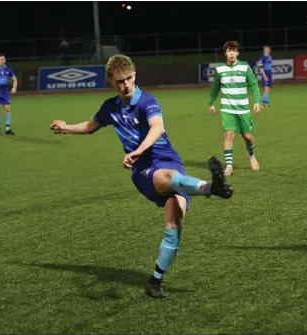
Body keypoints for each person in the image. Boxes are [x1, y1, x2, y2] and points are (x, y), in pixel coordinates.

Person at [50, 54, 234, 298]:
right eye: (120, 81)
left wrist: (137, 150)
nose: (126, 85)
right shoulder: (110, 108)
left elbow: (158, 127)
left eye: (129, 78)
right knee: (164, 177)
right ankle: (214, 189)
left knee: (174, 224)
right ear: (111, 83)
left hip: (168, 159)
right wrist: (66, 127)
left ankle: (155, 282)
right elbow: (89, 126)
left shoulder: (147, 101)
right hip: (143, 170)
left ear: (135, 75)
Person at [209, 40, 261, 176]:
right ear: (225, 53)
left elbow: (254, 84)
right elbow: (215, 87)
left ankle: (251, 155)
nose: (231, 53)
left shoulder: (244, 67)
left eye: (234, 51)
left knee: (247, 137)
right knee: (228, 134)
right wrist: (211, 103)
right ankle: (229, 166)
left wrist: (257, 101)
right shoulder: (220, 69)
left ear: (237, 53)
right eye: (229, 51)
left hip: (243, 109)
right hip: (227, 109)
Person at [258, 45, 273, 109]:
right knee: (266, 90)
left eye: (268, 49)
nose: (266, 50)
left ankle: (265, 104)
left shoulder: (270, 57)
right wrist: (265, 76)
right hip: (265, 74)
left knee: (268, 90)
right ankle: (262, 104)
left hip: (269, 74)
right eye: (265, 49)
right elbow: (261, 68)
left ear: (270, 50)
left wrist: (270, 76)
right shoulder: (262, 58)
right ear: (264, 50)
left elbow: (270, 67)